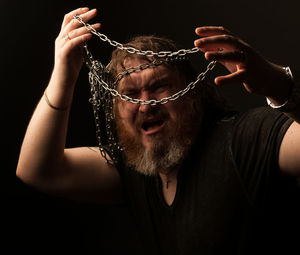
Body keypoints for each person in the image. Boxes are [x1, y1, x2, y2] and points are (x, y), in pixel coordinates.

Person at [16, 7, 300, 254]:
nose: (145, 105)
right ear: (115, 109)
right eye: (130, 93)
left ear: (192, 93)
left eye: (159, 86)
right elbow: (38, 169)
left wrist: (277, 84)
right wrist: (63, 75)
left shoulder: (244, 139)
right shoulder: (135, 169)